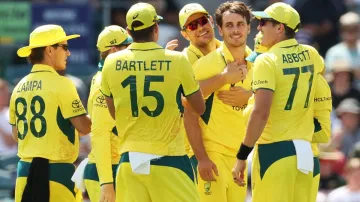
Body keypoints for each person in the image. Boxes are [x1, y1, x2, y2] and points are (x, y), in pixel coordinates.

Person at [100, 3, 205, 202]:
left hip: (129, 162)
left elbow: (114, 112)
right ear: (156, 29)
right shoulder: (177, 60)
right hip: (169, 159)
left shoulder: (111, 62)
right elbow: (199, 107)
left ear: (129, 31)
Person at [232, 2, 325, 202]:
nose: (259, 27)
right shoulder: (312, 53)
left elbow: (261, 113)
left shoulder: (267, 59)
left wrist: (241, 156)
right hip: (307, 152)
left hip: (274, 152)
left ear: (280, 28)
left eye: (264, 22)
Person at [246, 32, 332, 202]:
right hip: (307, 154)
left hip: (276, 151)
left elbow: (252, 119)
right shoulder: (316, 81)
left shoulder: (272, 71)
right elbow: (324, 132)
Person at [9, 24, 91, 202]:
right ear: (49, 50)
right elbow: (84, 128)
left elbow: (16, 136)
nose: (68, 53)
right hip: (57, 175)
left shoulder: (18, 87)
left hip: (24, 174)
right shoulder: (63, 83)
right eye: (64, 47)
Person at [189, 2, 252, 202]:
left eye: (240, 24)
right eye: (229, 25)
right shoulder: (206, 65)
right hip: (212, 156)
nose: (235, 30)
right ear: (220, 30)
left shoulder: (258, 61)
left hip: (240, 158)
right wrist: (202, 158)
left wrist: (250, 95)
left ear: (249, 27)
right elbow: (187, 111)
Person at [83, 25, 132, 202]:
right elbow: (99, 135)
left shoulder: (114, 76)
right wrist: (106, 183)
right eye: (127, 46)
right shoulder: (103, 82)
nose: (132, 51)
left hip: (118, 167)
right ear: (113, 50)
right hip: (106, 171)